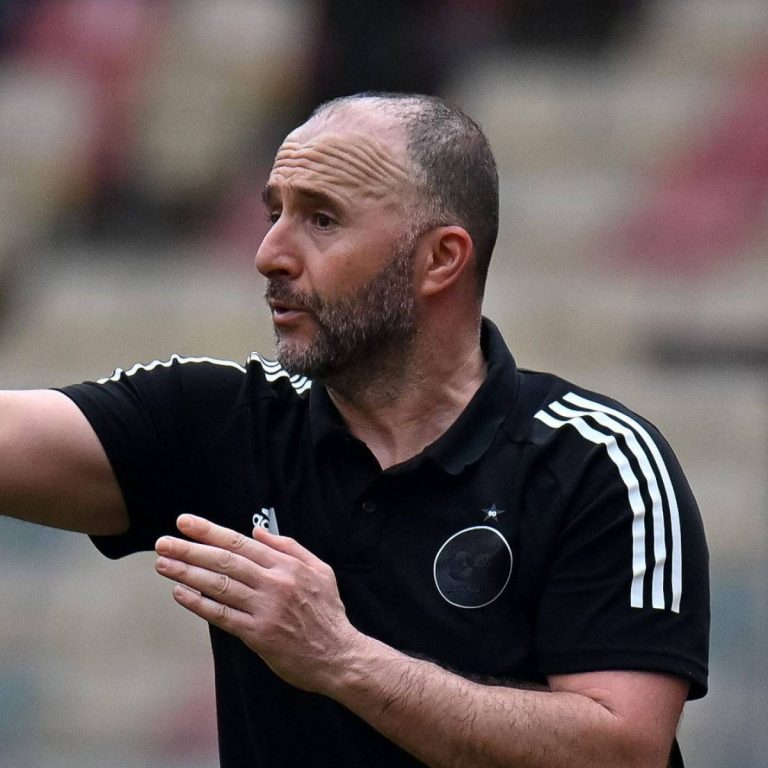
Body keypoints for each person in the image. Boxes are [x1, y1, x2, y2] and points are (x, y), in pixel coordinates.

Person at [0, 92, 708, 768]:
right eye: (274, 212)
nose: (269, 253)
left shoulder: (599, 465)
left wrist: (342, 658)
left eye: (322, 219)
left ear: (441, 259)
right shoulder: (222, 421)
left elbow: (622, 754)